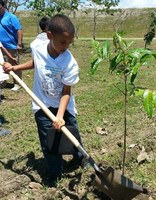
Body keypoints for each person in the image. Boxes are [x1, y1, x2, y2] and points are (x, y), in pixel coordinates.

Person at [3, 14, 88, 186]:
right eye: (63, 42)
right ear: (49, 35)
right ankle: (55, 173)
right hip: (41, 104)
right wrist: (15, 67)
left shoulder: (69, 62)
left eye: (69, 43)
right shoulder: (37, 47)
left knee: (71, 132)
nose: (66, 47)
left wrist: (60, 116)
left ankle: (81, 157)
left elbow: (66, 91)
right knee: (48, 140)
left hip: (64, 105)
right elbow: (36, 62)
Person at [0, 0, 23, 91]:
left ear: (3, 6)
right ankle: (4, 81)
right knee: (3, 64)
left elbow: (19, 29)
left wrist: (19, 44)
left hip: (11, 46)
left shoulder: (11, 17)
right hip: (1, 46)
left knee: (14, 64)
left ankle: (17, 83)